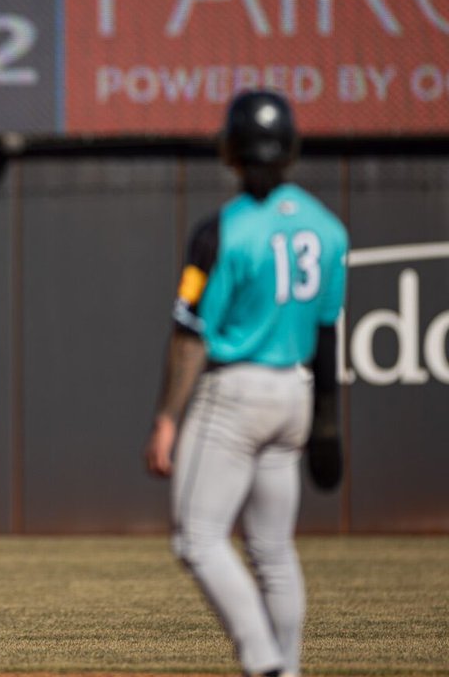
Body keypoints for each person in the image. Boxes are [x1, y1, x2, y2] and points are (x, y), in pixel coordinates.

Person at [144, 90, 348, 677]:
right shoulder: (328, 229)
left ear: (230, 150)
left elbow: (190, 333)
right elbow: (328, 332)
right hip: (295, 392)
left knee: (197, 539)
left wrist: (166, 418)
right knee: (273, 551)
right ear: (291, 149)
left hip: (236, 394)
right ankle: (289, 668)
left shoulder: (220, 231)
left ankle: (265, 665)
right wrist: (328, 423)